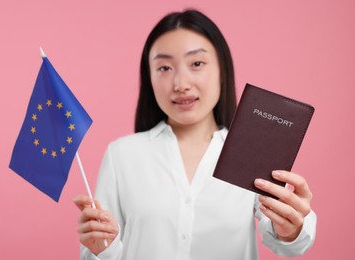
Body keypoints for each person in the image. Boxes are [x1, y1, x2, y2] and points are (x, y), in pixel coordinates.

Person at [74, 9, 316, 260]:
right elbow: (95, 254)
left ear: (222, 69)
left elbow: (291, 245)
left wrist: (292, 227)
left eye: (197, 64)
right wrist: (102, 247)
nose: (181, 83)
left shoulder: (252, 153)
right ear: (149, 78)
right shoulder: (122, 155)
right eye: (164, 67)